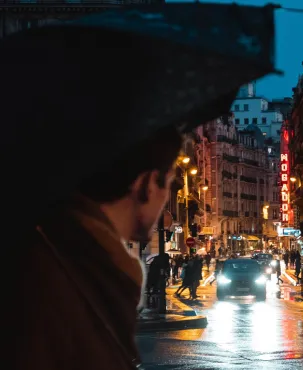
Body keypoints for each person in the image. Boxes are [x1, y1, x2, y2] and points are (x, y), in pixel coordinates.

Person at [20, 125, 182, 369]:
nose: (165, 201)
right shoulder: (52, 277)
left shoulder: (57, 250)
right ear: (147, 185)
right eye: (168, 184)